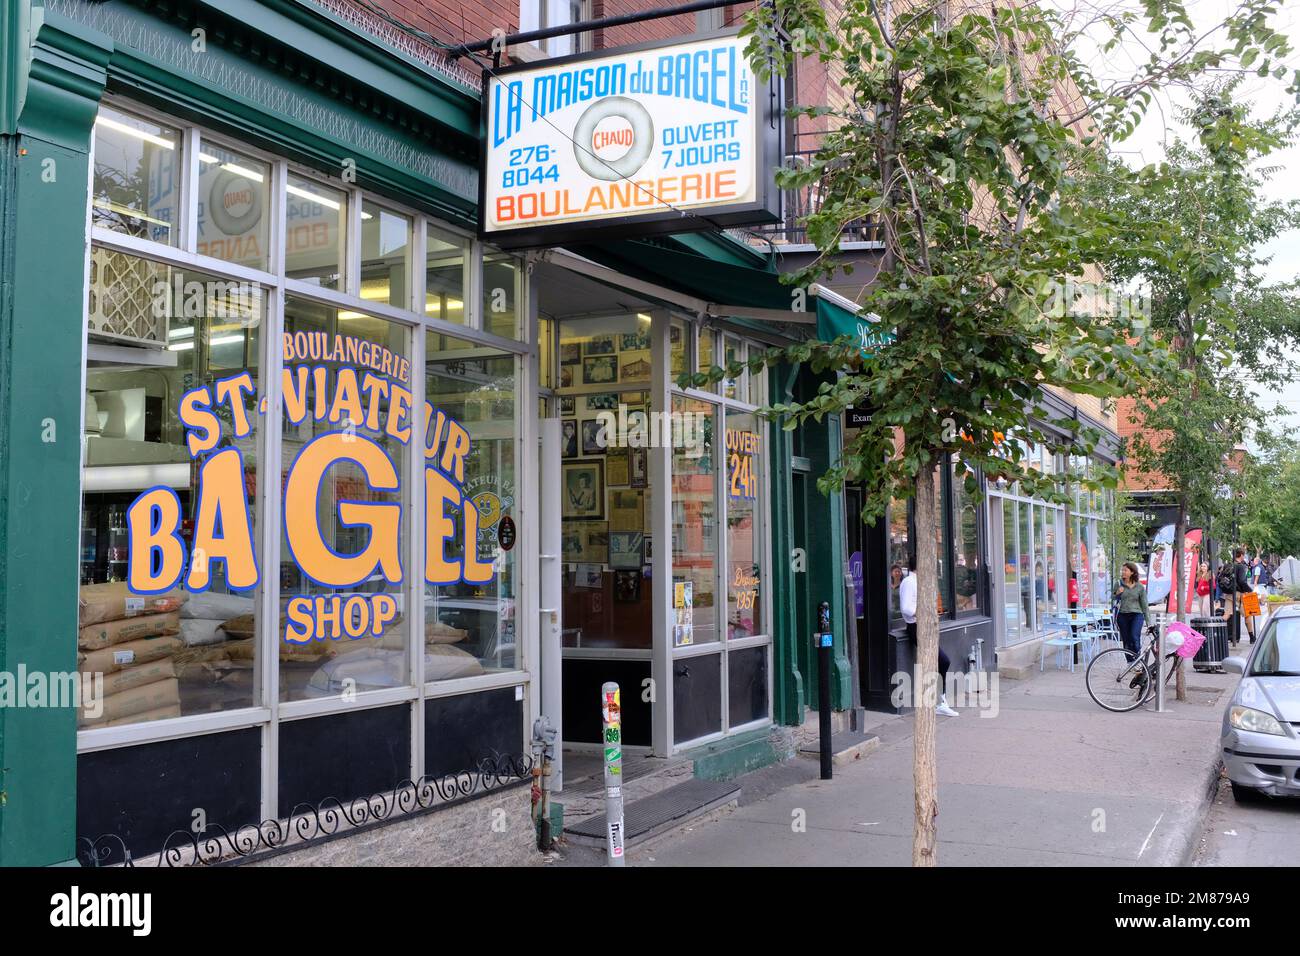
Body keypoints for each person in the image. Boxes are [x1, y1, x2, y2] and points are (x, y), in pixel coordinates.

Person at [898, 555, 958, 717]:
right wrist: (924, 612)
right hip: (916, 627)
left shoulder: (919, 582)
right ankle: (939, 702)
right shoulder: (909, 582)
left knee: (936, 662)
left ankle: (938, 700)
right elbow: (906, 609)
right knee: (942, 661)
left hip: (924, 626)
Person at [1113, 561, 1149, 660]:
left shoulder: (1139, 587)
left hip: (1137, 615)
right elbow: (1113, 599)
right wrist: (1117, 593)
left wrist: (1148, 622)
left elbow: (1144, 605)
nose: (1123, 572)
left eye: (1125, 570)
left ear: (1132, 572)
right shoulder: (1118, 584)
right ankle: (1130, 662)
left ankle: (1138, 660)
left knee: (1134, 637)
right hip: (1122, 615)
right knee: (1126, 640)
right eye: (1122, 570)